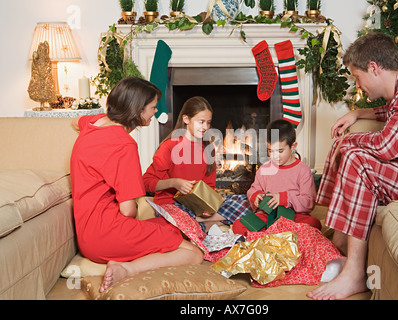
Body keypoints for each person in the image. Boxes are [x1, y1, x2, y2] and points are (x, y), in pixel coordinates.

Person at [308, 32, 398, 300]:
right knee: (353, 151)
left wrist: (350, 140)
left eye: (357, 77)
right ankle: (338, 238)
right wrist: (359, 113)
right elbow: (396, 113)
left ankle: (354, 273)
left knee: (357, 157)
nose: (358, 86)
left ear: (373, 67)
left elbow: (388, 147)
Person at [70, 77, 203, 293]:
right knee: (193, 253)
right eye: (152, 107)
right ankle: (127, 269)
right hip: (107, 236)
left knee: (168, 227)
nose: (155, 112)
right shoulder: (124, 145)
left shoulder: (92, 125)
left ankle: (135, 254)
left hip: (87, 235)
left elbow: (74, 122)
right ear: (137, 109)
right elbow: (128, 211)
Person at [143, 96, 251, 231]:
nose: (206, 127)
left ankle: (205, 220)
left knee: (247, 202)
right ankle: (207, 222)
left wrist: (208, 206)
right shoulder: (170, 147)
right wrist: (175, 183)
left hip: (197, 205)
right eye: (201, 122)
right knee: (181, 215)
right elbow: (147, 182)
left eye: (208, 122)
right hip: (172, 204)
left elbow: (210, 186)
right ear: (186, 119)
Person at [232, 119, 321, 235]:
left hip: (293, 217)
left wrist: (284, 199)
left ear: (293, 146)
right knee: (238, 226)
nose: (275, 156)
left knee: (314, 224)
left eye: (280, 151)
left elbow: (308, 203)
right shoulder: (264, 170)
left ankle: (270, 236)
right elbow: (252, 190)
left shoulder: (303, 170)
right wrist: (256, 196)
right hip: (266, 216)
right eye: (270, 151)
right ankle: (275, 236)